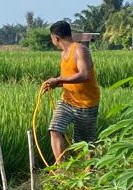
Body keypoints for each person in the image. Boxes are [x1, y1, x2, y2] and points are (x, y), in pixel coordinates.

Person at [39, 20, 101, 163]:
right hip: (67, 100)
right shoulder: (63, 54)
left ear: (55, 37)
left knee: (84, 143)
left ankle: (89, 173)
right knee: (54, 129)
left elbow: (84, 75)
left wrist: (58, 80)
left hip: (86, 103)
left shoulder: (80, 50)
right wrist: (57, 84)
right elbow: (70, 78)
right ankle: (61, 170)